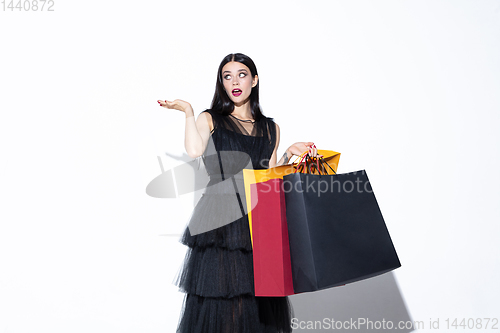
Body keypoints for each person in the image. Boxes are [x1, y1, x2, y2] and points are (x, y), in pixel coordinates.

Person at [157, 53, 318, 333]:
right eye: (227, 76)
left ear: (254, 81)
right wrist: (188, 112)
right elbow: (194, 151)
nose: (234, 81)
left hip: (259, 217)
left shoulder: (271, 128)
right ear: (221, 82)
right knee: (223, 301)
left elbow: (269, 175)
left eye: (241, 74)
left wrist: (289, 155)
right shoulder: (212, 119)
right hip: (221, 218)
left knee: (257, 299)